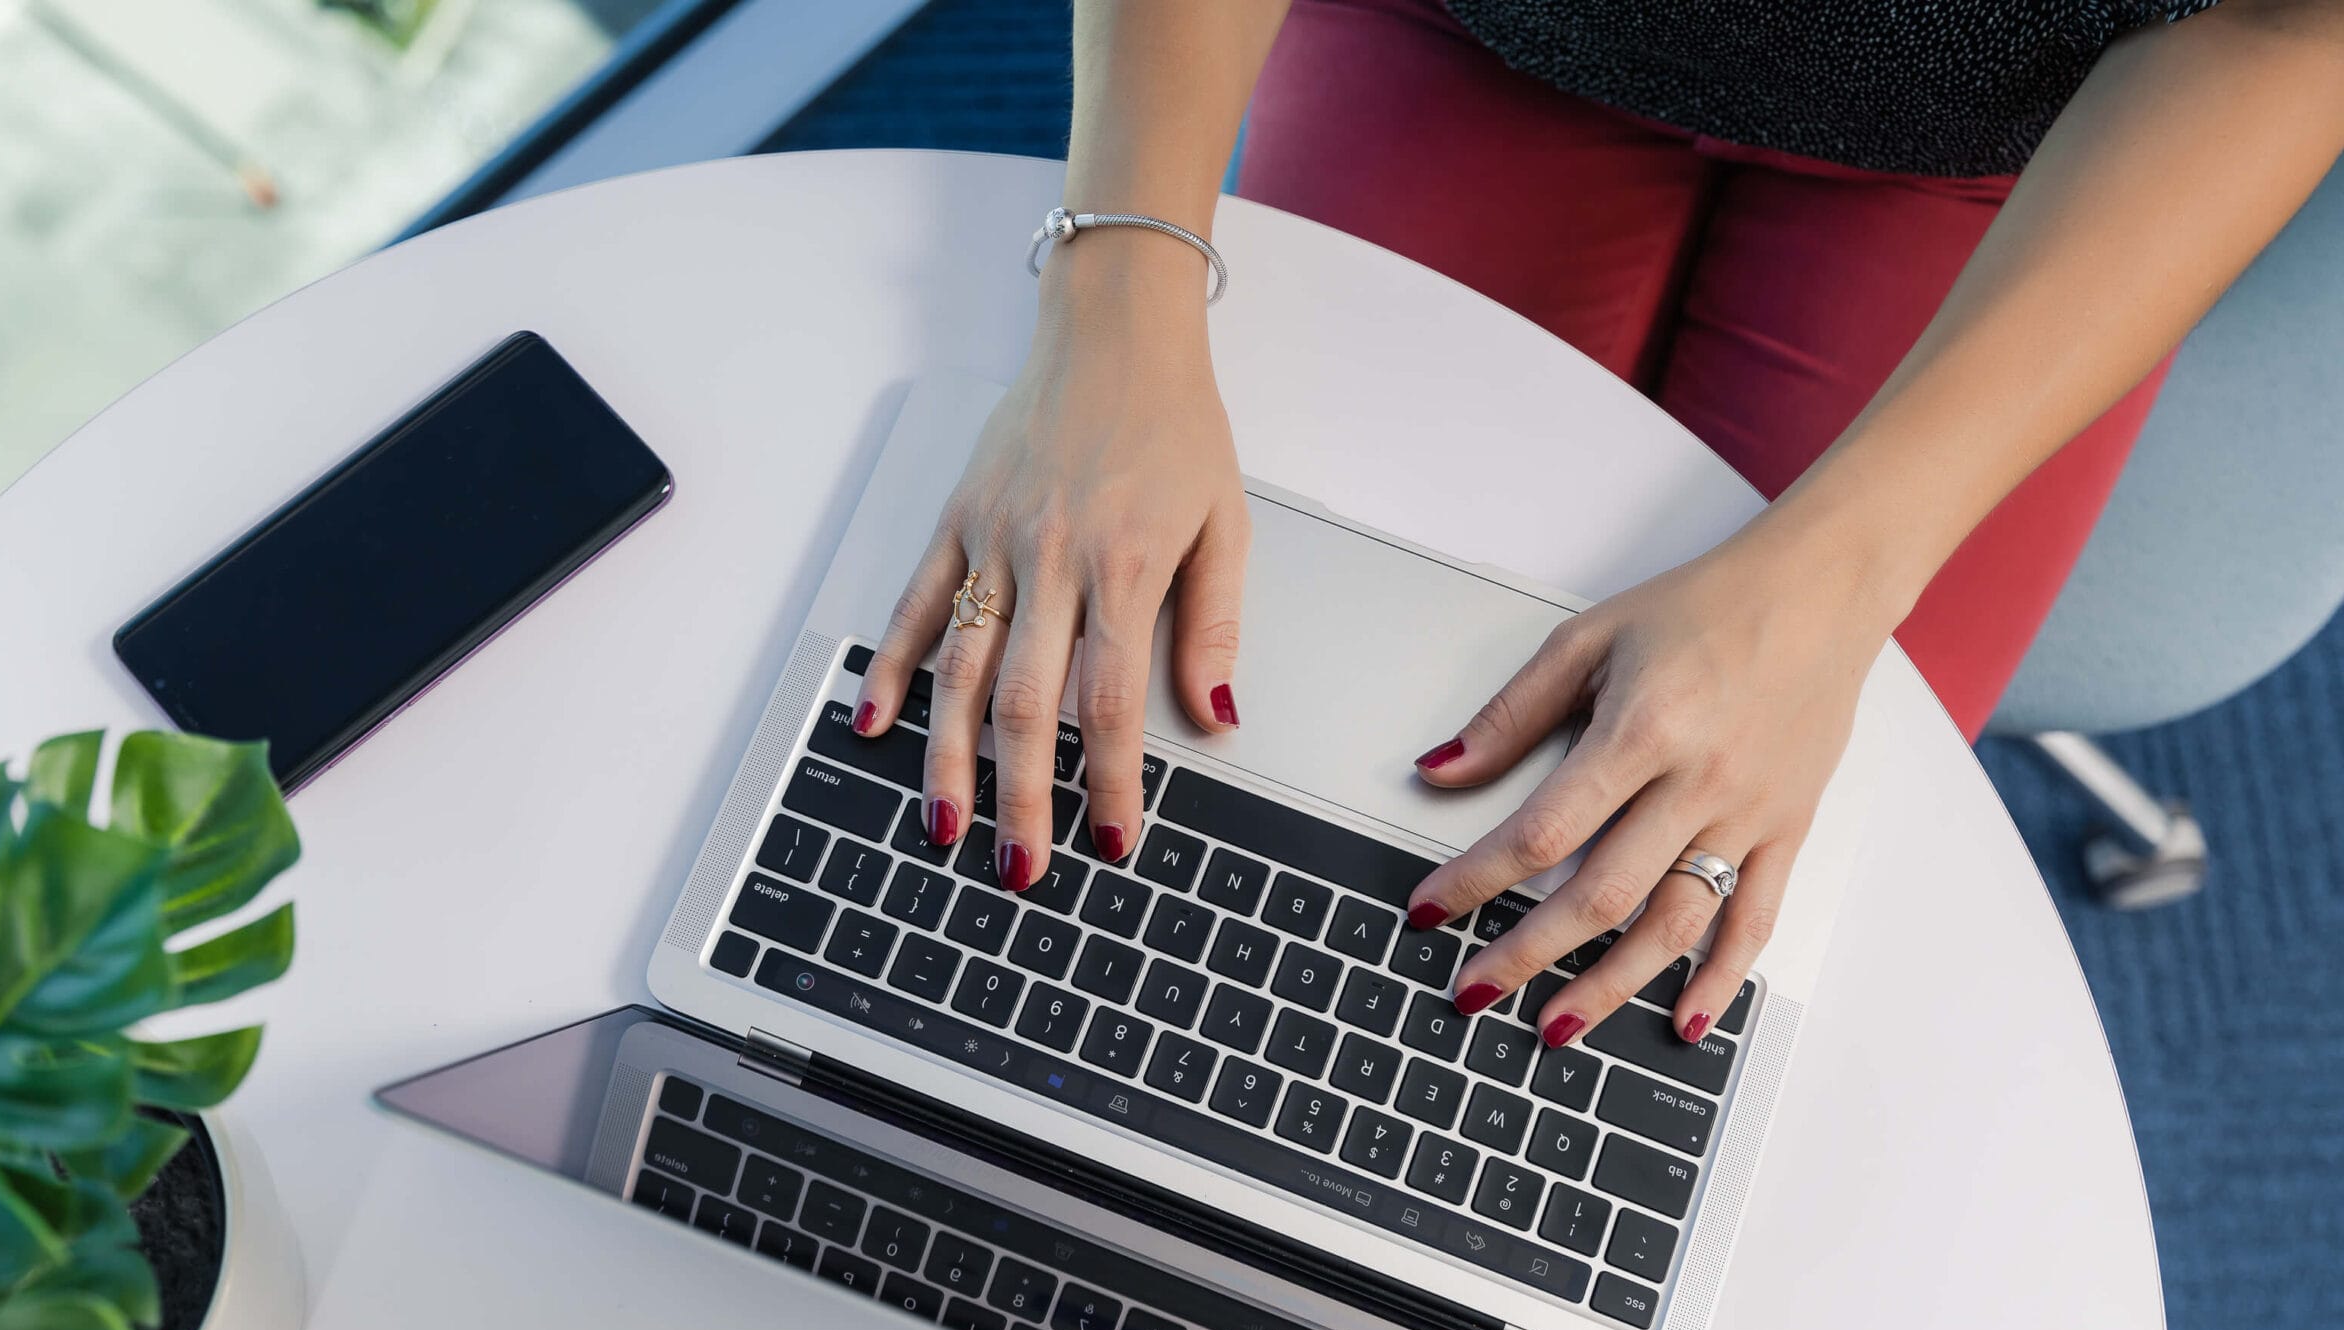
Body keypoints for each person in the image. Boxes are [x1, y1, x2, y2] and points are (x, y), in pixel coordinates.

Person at [850, 0, 2344, 1049]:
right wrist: (1116, 288)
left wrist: (1842, 582)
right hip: (1485, 32)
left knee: (1699, 929)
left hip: (2013, 145)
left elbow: (2290, 20)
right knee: (1237, 739)